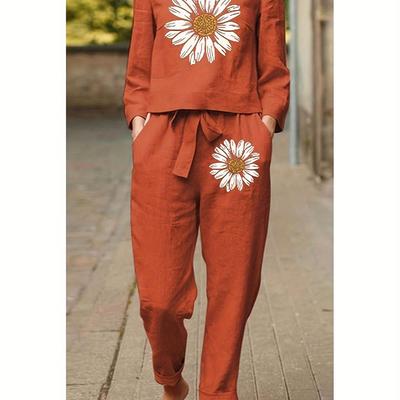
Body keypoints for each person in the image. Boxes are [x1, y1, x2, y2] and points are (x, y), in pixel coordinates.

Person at [123, 0, 289, 398]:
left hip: (238, 146)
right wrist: (140, 125)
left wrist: (263, 128)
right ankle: (169, 376)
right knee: (159, 297)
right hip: (164, 138)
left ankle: (218, 392)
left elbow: (274, 69)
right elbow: (138, 68)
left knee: (234, 284)